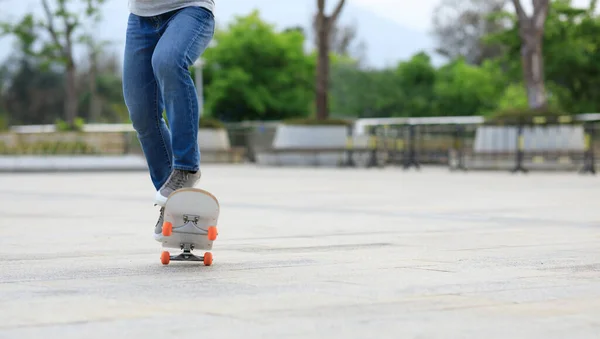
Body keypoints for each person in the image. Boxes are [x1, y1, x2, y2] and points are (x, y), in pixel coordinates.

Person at [122, 0, 215, 241]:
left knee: (168, 61)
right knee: (141, 110)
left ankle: (186, 168)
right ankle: (175, 203)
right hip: (140, 18)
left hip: (189, 9)